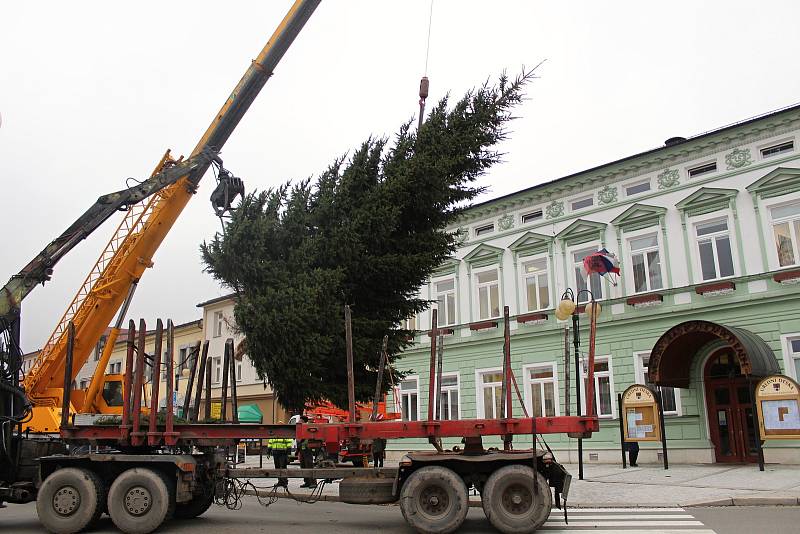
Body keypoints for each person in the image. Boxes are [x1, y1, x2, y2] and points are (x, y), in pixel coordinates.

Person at [298, 415, 317, 489]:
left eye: (300, 420)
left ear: (303, 421)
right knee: (303, 466)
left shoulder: (307, 428)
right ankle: (307, 482)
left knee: (309, 465)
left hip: (307, 449)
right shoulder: (301, 428)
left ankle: (313, 482)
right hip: (302, 449)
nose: (299, 421)